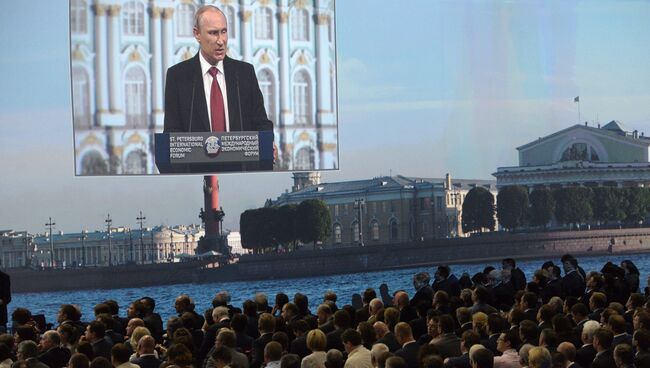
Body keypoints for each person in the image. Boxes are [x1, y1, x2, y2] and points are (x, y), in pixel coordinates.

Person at [163, 5, 272, 135]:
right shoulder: (178, 76)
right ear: (197, 34)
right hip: (196, 156)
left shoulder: (245, 73)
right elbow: (171, 133)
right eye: (213, 33)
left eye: (224, 32)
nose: (221, 41)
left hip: (239, 156)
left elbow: (261, 123)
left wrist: (268, 143)